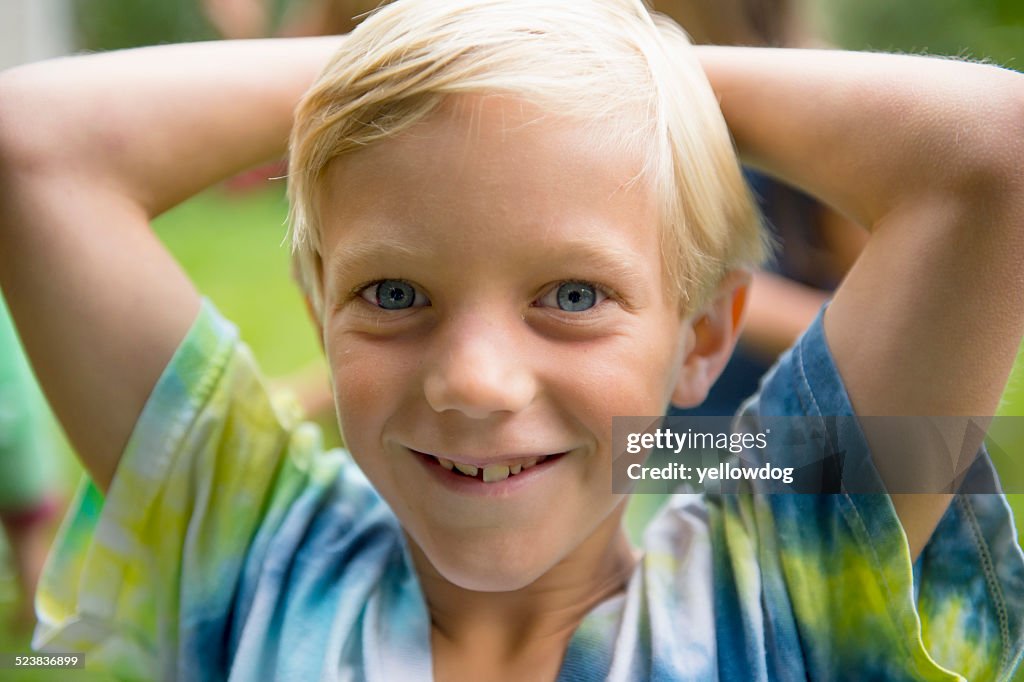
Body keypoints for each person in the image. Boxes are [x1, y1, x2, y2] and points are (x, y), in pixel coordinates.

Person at [0, 1, 1021, 680]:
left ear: (706, 328)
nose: (474, 381)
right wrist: (436, 57)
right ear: (318, 307)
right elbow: (29, 147)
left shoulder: (772, 594)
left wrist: (628, 74)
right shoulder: (260, 557)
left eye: (571, 293)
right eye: (394, 291)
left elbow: (996, 154)